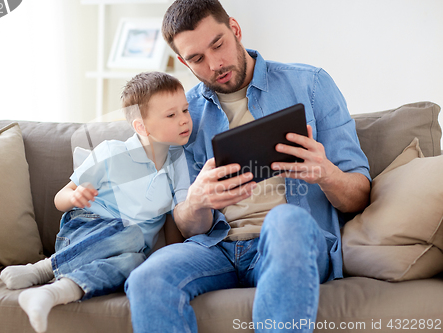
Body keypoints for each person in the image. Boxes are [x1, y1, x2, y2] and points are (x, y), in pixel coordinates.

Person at [124, 1, 371, 332]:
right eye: (197, 59)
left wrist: (325, 172)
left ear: (235, 30)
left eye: (218, 44)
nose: (215, 64)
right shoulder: (183, 116)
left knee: (286, 221)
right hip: (217, 247)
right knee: (147, 278)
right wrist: (197, 202)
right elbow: (187, 228)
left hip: (288, 241)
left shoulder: (310, 85)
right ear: (184, 62)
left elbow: (359, 197)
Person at [0, 72, 192, 333]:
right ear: (141, 127)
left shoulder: (178, 161)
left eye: (185, 110)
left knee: (136, 262)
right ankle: (45, 267)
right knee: (133, 236)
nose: (184, 119)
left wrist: (172, 257)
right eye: (172, 115)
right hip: (84, 231)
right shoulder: (112, 152)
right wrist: (74, 197)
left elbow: (172, 219)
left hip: (128, 250)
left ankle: (53, 293)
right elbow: (60, 198)